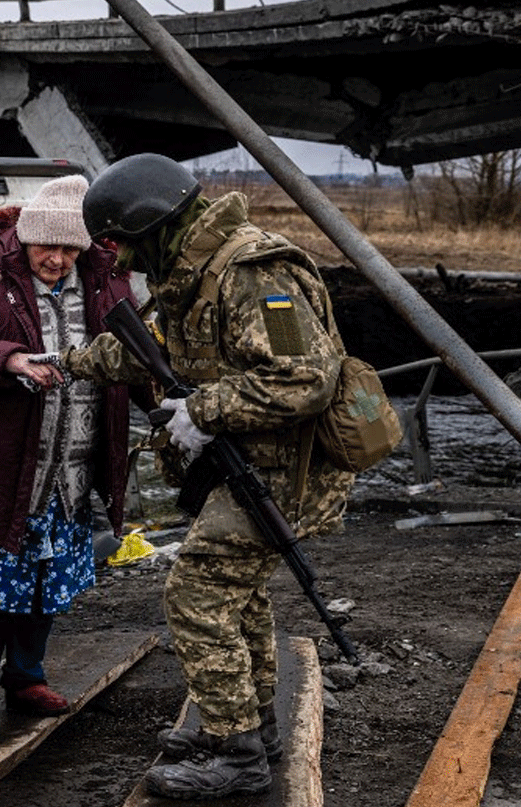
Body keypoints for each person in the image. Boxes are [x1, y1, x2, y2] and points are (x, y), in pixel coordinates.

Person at [59, 154, 355, 800]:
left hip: (288, 471)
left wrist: (202, 409)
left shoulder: (258, 273)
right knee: (236, 596)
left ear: (153, 225)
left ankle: (238, 755)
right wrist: (64, 364)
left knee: (194, 594)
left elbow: (305, 377)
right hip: (250, 461)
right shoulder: (193, 275)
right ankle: (250, 732)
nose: (126, 265)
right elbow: (151, 346)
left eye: (126, 246)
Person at [0, 174, 146, 725]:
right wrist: (8, 359)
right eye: (47, 246)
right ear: (25, 239)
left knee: (45, 584)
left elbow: (134, 349)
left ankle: (27, 677)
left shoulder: (107, 280)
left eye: (69, 247)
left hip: (71, 472)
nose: (57, 259)